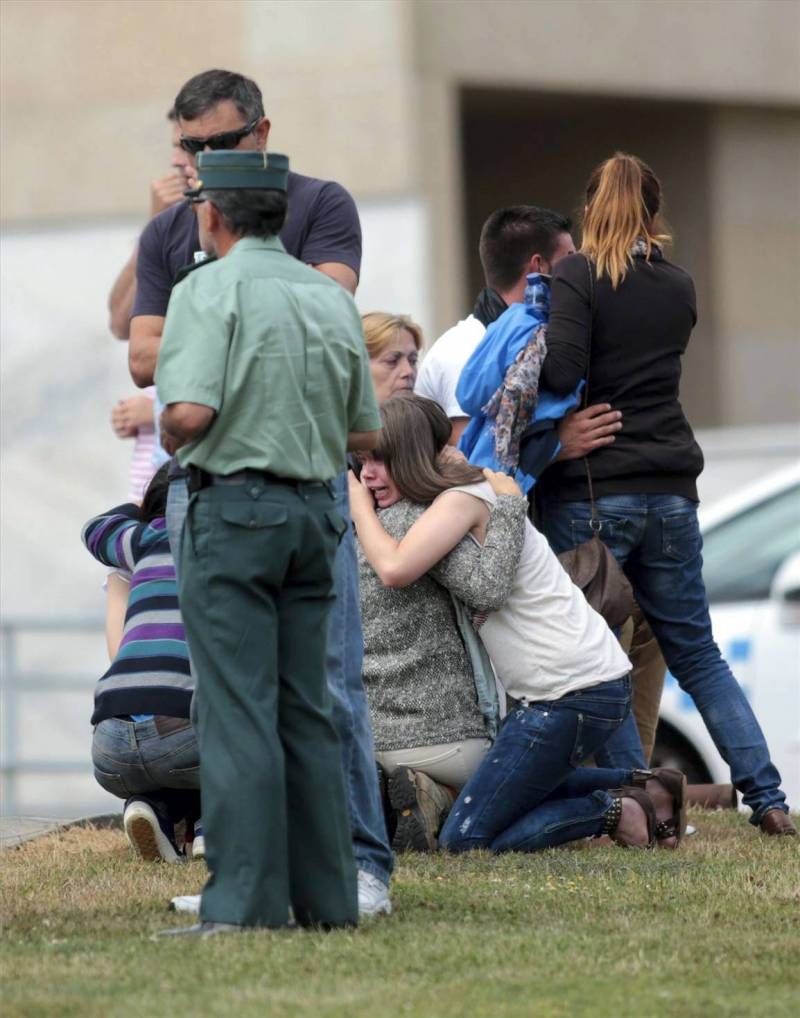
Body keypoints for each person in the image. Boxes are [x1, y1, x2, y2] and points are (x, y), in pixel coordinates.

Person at [132, 69, 395, 916]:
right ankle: (331, 897)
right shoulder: (327, 297)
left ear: (211, 216)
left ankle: (241, 900)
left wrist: (175, 424)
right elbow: (364, 434)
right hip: (317, 515)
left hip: (232, 516)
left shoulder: (203, 288)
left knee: (237, 712)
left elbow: (188, 411)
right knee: (312, 707)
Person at [538, 152, 795, 836]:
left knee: (600, 654)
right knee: (698, 654)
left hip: (596, 491)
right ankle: (767, 798)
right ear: (655, 214)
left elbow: (562, 366)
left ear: (590, 210)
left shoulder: (576, 276)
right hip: (673, 492)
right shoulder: (678, 284)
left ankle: (639, 806)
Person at [349, 395, 687, 855]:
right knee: (505, 793)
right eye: (361, 461)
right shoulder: (453, 499)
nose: (366, 475)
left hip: (572, 691)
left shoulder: (459, 502)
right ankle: (646, 787)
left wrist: (357, 506)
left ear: (409, 456)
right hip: (563, 690)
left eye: (379, 460)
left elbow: (405, 570)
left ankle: (617, 810)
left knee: (465, 839)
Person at [415, 205, 620, 455]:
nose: (577, 274)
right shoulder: (466, 351)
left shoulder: (531, 340)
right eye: (569, 261)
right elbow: (474, 464)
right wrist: (557, 446)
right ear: (538, 267)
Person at [82, 465, 200, 862]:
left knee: (162, 746)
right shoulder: (222, 542)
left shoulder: (144, 540)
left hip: (109, 744)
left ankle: (151, 809)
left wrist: (137, 508)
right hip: (184, 735)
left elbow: (94, 528)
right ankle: (213, 824)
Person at [107, 108, 194, 340]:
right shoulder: (176, 217)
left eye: (186, 147)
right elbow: (118, 321)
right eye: (175, 146)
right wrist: (155, 227)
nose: (175, 160)